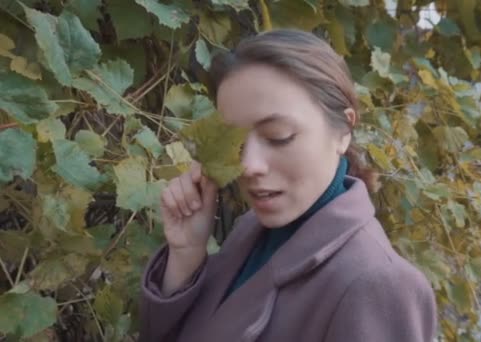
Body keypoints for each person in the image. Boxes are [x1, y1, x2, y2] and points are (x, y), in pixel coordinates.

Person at [138, 29, 437, 342]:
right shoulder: (250, 231)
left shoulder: (379, 285)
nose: (249, 165)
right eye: (234, 142)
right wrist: (185, 256)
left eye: (278, 136)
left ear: (343, 130)